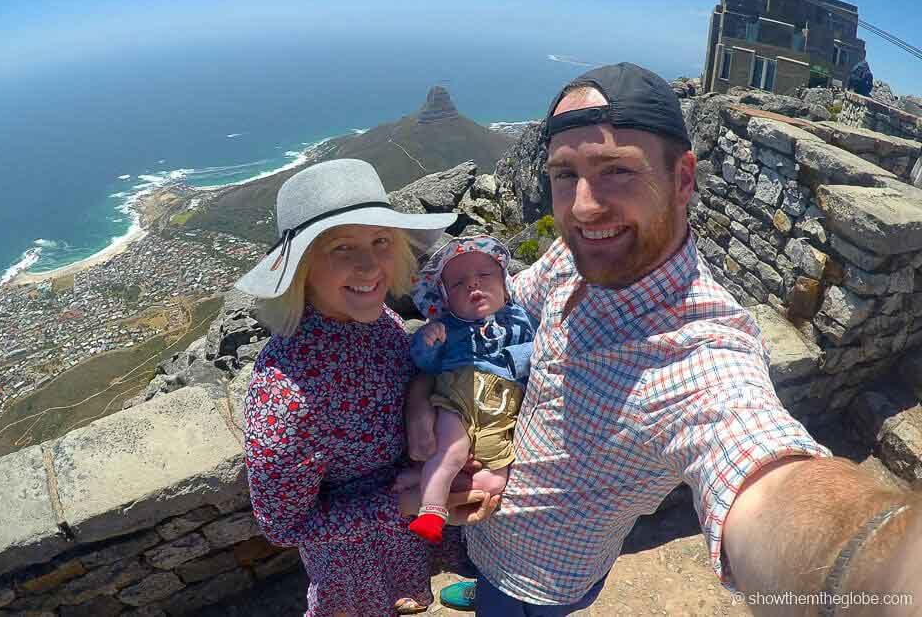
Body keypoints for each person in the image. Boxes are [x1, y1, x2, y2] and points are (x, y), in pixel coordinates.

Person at [432, 63, 921, 615]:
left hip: (545, 579)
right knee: (484, 584)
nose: (584, 207)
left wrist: (881, 574)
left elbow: (763, 470)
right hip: (487, 534)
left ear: (683, 178)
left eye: (616, 169)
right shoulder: (575, 256)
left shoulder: (701, 354)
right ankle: (481, 585)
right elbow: (512, 306)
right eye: (564, 175)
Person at [235, 158, 499, 617]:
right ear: (301, 269)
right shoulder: (284, 396)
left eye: (380, 241)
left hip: (408, 532)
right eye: (342, 248)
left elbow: (407, 379)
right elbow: (284, 525)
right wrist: (407, 502)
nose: (370, 265)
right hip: (355, 565)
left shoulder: (380, 321)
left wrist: (422, 408)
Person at [395, 236, 536, 544]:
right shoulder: (447, 326)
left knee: (496, 473)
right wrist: (427, 341)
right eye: (459, 283)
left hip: (502, 405)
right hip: (457, 395)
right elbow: (425, 364)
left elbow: (542, 350)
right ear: (445, 299)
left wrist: (516, 358)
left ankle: (425, 479)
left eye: (484, 276)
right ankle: (431, 512)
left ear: (504, 283)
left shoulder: (521, 319)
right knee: (451, 450)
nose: (473, 285)